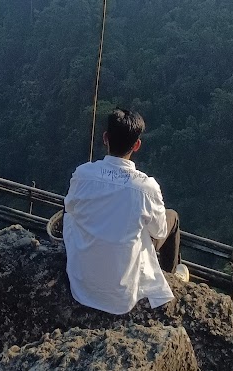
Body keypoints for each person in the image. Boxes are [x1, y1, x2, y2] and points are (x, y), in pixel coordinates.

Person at [60, 107, 188, 315]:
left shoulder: (82, 174)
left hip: (81, 286)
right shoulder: (146, 187)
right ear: (137, 145)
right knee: (171, 218)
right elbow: (159, 232)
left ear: (105, 138)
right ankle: (169, 276)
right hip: (121, 296)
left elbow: (70, 207)